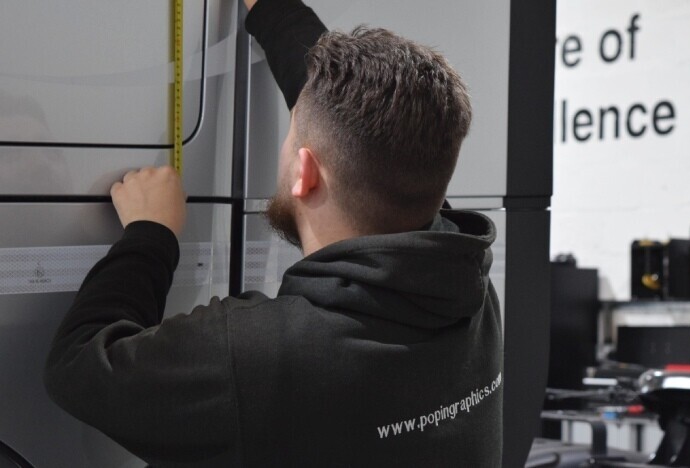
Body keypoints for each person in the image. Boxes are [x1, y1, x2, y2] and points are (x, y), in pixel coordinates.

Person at [44, 0, 503, 466]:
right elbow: (370, 134)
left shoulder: (259, 358)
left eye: (291, 133)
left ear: (305, 171)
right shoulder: (466, 286)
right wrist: (274, 11)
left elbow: (79, 365)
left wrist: (150, 235)